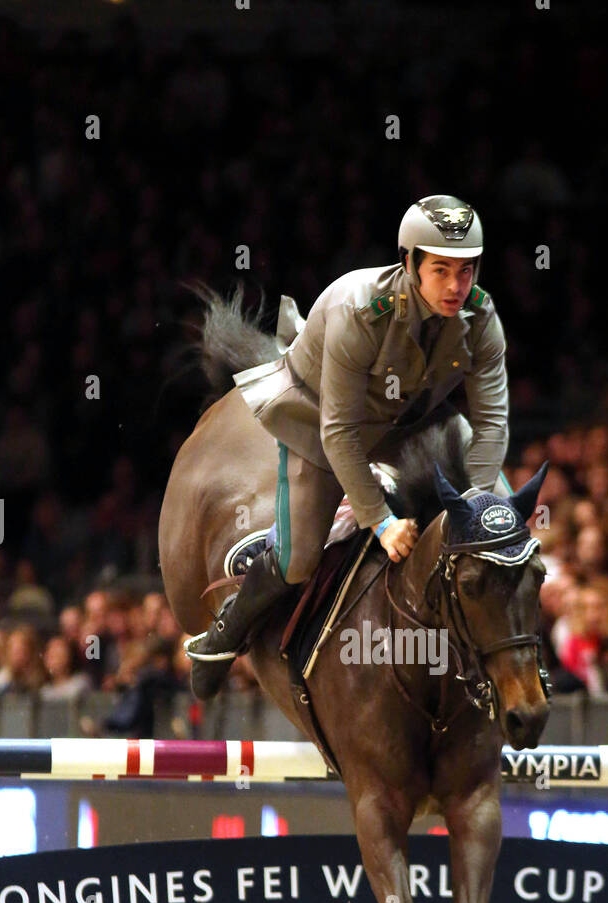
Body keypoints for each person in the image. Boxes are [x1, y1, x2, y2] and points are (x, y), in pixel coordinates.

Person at [186, 194, 511, 696]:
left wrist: (475, 507)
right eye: (441, 270)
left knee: (501, 520)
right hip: (322, 417)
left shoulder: (481, 315)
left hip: (408, 419)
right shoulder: (359, 306)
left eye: (466, 271)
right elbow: (339, 430)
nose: (455, 286)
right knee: (298, 561)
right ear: (409, 264)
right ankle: (227, 631)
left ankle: (517, 652)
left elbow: (491, 422)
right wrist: (380, 520)